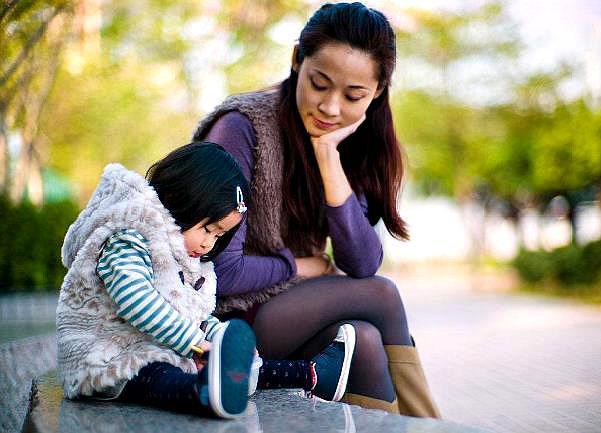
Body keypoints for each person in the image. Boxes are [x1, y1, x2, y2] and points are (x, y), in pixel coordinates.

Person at [193, 2, 440, 416]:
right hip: (228, 323)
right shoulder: (240, 128)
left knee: (362, 341)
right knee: (382, 294)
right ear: (296, 61)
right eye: (320, 84)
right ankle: (431, 423)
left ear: (377, 92)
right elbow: (221, 271)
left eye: (353, 95)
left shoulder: (350, 138)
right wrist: (302, 266)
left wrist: (328, 156)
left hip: (291, 313)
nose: (330, 107)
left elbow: (360, 260)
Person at [56, 142, 354, 419]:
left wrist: (217, 338)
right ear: (181, 199)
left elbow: (192, 316)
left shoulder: (184, 259)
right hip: (104, 359)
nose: (209, 243)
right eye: (208, 228)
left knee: (234, 367)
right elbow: (135, 300)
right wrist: (196, 345)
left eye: (219, 235)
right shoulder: (128, 237)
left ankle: (312, 374)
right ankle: (202, 393)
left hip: (153, 348)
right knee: (155, 373)